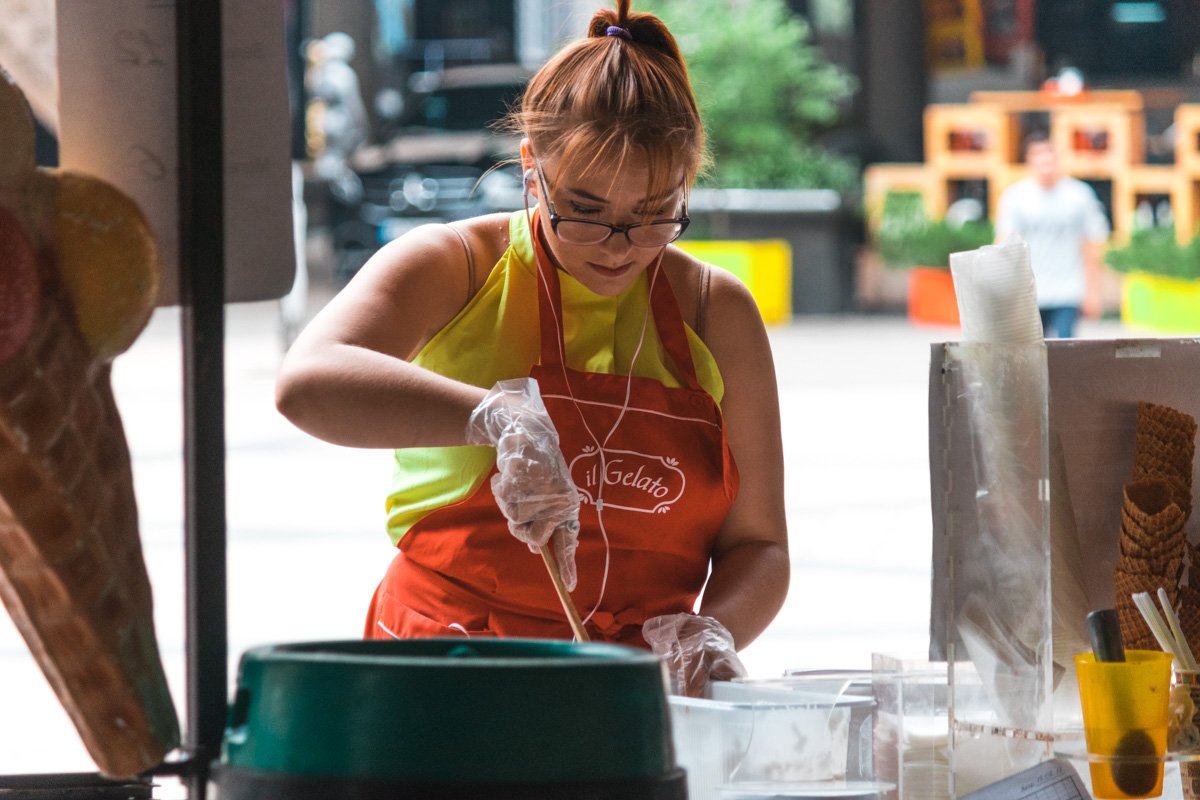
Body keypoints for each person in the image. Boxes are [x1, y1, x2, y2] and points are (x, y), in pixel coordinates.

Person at [275, 0, 789, 695]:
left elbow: (759, 546)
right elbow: (307, 382)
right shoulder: (456, 265)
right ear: (531, 169)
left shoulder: (714, 310)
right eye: (583, 211)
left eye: (654, 216)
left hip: (633, 692)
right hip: (451, 670)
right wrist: (493, 416)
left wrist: (713, 630)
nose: (619, 249)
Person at [994, 130, 1110, 338]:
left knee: (1066, 351)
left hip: (1068, 290)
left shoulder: (1079, 195)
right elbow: (1005, 246)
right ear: (1029, 160)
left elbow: (1091, 244)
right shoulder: (1015, 197)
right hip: (1030, 291)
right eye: (1038, 157)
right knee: (1032, 352)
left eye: (1050, 156)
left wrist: (1093, 291)